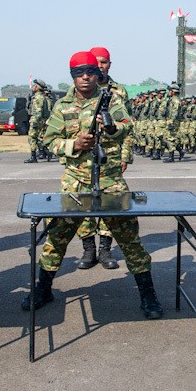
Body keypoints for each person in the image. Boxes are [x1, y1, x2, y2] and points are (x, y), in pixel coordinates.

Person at [21, 51, 162, 319]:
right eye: (78, 73)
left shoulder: (111, 100)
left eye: (89, 72)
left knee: (129, 237)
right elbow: (49, 140)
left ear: (97, 74)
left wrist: (110, 128)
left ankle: (148, 294)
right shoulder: (61, 106)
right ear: (72, 76)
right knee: (57, 237)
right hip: (75, 180)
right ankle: (43, 288)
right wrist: (73, 144)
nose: (85, 77)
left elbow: (127, 127)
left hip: (110, 179)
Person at [73, 46, 131, 269]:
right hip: (84, 161)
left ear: (109, 65)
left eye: (104, 62)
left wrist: (125, 155)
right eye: (95, 62)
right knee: (84, 204)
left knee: (111, 205)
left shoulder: (119, 92)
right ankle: (89, 250)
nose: (99, 66)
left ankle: (106, 250)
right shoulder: (79, 92)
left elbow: (127, 126)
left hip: (111, 157)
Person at [24, 79, 54, 163]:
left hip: (36, 120)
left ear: (37, 87)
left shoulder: (38, 97)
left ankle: (33, 156)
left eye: (34, 86)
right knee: (39, 138)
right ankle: (47, 151)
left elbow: (38, 111)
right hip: (41, 120)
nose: (33, 87)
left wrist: (34, 122)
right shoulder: (43, 97)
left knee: (32, 137)